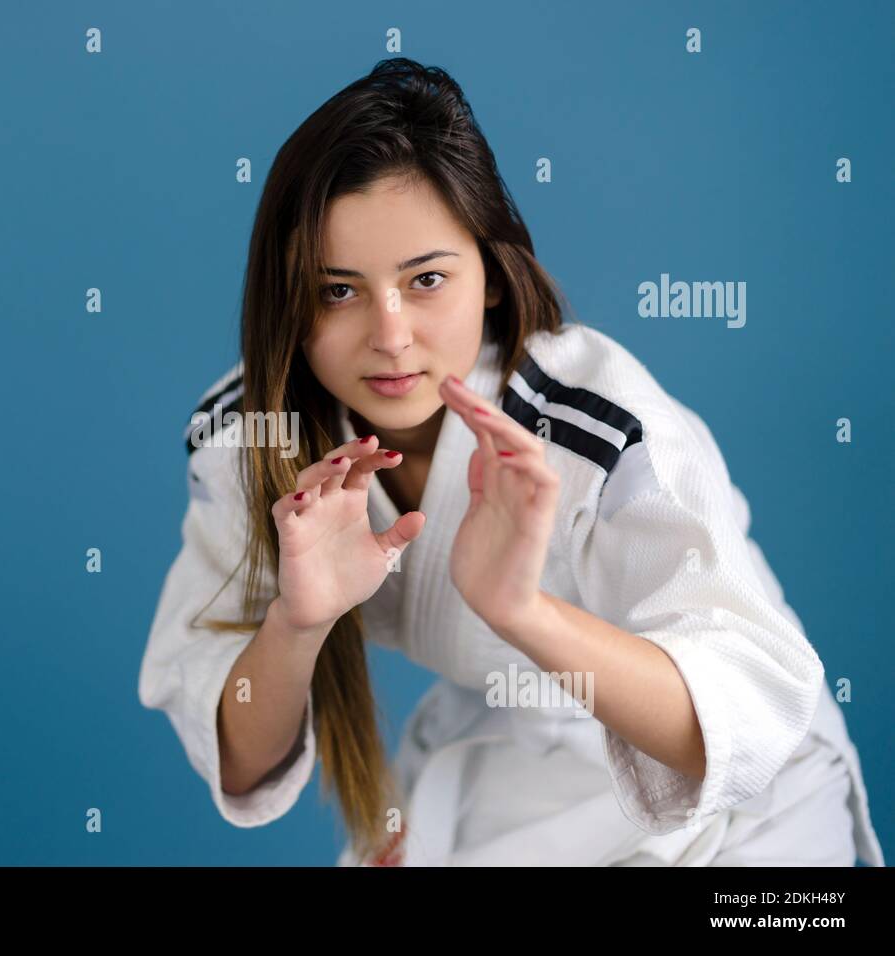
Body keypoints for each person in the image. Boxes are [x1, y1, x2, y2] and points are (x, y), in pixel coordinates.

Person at [137, 57, 884, 866]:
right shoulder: (252, 442)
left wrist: (522, 610)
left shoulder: (600, 424)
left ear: (491, 275)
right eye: (338, 291)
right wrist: (297, 619)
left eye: (426, 280)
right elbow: (241, 757)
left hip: (746, 811)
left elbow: (738, 724)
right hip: (511, 770)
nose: (390, 337)